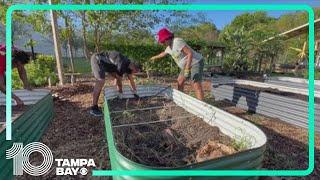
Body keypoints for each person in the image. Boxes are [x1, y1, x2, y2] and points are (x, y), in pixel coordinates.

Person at [150, 28, 204, 100]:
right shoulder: (169, 47)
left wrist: (187, 68)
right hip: (186, 65)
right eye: (162, 42)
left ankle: (202, 105)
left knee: (195, 84)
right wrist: (154, 57)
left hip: (195, 62)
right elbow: (164, 53)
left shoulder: (177, 42)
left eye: (163, 41)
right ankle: (181, 100)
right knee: (180, 81)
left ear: (168, 38)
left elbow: (190, 53)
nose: (163, 43)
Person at [90, 50, 140, 116]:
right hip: (97, 59)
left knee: (115, 76)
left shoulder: (129, 66)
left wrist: (135, 92)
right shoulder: (122, 64)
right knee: (101, 80)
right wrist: (120, 92)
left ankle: (114, 93)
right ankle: (94, 108)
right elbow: (119, 80)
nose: (135, 73)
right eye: (135, 71)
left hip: (107, 64)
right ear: (133, 67)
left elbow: (131, 79)